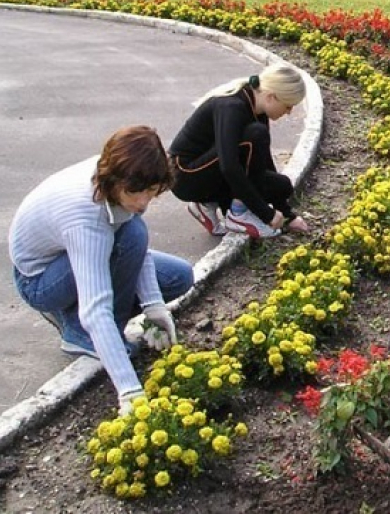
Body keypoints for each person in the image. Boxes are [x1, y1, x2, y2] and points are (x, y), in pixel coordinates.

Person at [9, 126, 194, 414]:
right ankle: (79, 334)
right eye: (137, 193)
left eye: (152, 192)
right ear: (116, 180)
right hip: (41, 280)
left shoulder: (126, 179)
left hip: (75, 255)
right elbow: (96, 309)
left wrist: (154, 306)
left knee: (178, 276)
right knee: (128, 238)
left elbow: (138, 246)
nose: (144, 201)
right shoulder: (86, 217)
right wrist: (130, 391)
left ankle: (78, 320)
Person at [168, 62, 310, 239]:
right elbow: (229, 166)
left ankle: (207, 204)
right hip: (185, 177)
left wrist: (287, 213)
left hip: (214, 172)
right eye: (288, 106)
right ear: (271, 97)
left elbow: (263, 163)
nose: (289, 112)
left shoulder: (259, 111)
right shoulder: (231, 107)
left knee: (281, 186)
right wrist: (266, 213)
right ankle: (238, 214)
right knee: (255, 134)